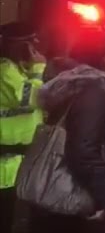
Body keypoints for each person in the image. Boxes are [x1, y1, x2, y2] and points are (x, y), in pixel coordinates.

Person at [29, 34, 105, 233]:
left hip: (56, 194)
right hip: (75, 198)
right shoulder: (91, 91)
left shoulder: (69, 86)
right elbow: (84, 152)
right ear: (100, 56)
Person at [0, 22, 46, 232]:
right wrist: (37, 72)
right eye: (31, 41)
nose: (37, 45)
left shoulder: (17, 69)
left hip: (16, 165)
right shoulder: (4, 70)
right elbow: (30, 98)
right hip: (4, 165)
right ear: (17, 45)